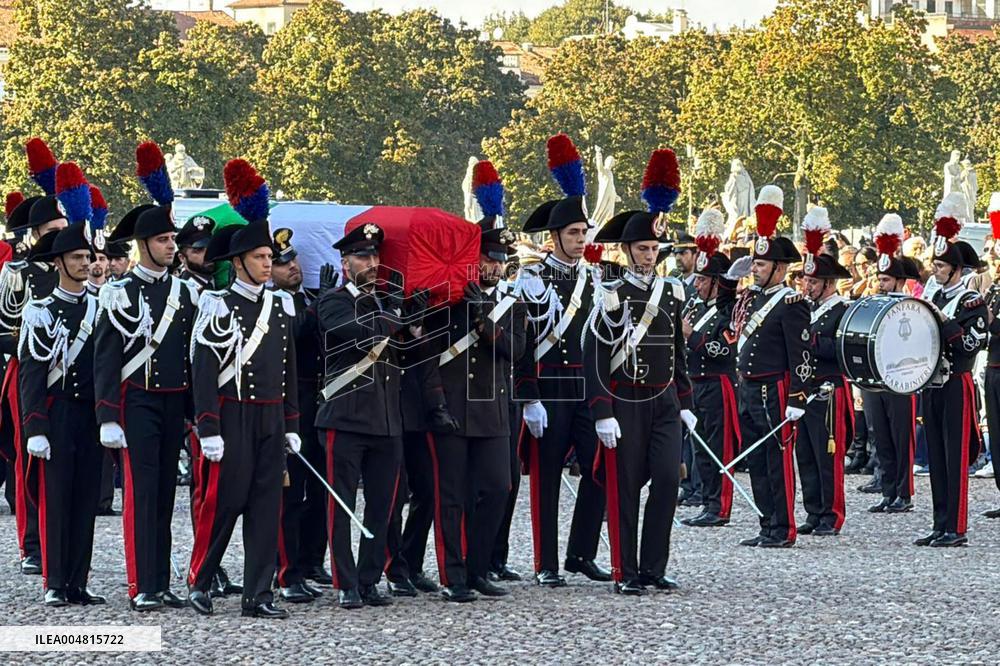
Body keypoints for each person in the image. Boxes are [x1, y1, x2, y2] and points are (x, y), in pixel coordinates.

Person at [94, 143, 198, 611]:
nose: (171, 246)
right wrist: (107, 415)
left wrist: (198, 412)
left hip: (174, 401)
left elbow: (196, 355)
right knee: (141, 493)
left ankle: (161, 579)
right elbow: (106, 359)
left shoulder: (185, 293)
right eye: (162, 241)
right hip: (136, 401)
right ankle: (142, 585)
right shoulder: (119, 294)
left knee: (164, 499)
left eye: (172, 240)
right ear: (142, 246)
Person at [187, 213, 299, 618]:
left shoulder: (280, 306)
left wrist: (291, 423)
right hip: (232, 415)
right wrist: (208, 426)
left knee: (267, 508)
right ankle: (200, 580)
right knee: (224, 503)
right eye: (259, 256)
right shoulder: (216, 304)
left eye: (270, 256)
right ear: (238, 262)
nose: (268, 263)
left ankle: (258, 594)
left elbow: (289, 371)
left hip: (270, 418)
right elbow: (202, 371)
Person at [584, 205, 693, 595]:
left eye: (654, 248)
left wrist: (686, 402)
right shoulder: (610, 294)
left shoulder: (673, 291)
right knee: (625, 487)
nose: (650, 256)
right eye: (643, 248)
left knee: (666, 480)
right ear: (628, 250)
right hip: (623, 398)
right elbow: (595, 355)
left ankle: (652, 566)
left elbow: (678, 352)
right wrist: (601, 411)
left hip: (664, 400)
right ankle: (624, 569)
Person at [518, 140, 609, 587]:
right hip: (548, 388)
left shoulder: (595, 278)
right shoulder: (532, 278)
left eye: (584, 233)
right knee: (546, 479)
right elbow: (522, 343)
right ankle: (545, 562)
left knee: (599, 469)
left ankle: (581, 553)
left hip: (587, 391)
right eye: (574, 234)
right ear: (554, 238)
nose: (581, 240)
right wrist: (529, 396)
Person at [316, 223, 418, 609]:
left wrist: (415, 322)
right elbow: (357, 334)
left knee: (384, 506)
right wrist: (399, 317)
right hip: (345, 417)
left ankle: (370, 578)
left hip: (387, 420)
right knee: (341, 506)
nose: (372, 263)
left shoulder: (387, 302)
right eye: (363, 256)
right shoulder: (334, 300)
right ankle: (345, 581)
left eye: (376, 256)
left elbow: (410, 355)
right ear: (345, 263)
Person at [423, 218, 526, 601]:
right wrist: (435, 402)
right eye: (489, 258)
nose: (495, 267)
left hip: (492, 411)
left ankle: (479, 568)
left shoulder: (511, 306)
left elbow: (514, 350)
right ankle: (454, 576)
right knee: (451, 497)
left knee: (499, 487)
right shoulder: (446, 302)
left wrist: (482, 313)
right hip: (452, 408)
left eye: (501, 260)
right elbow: (429, 358)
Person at [19, 223, 104, 607]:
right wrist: (35, 425)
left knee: (87, 498)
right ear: (58, 263)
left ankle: (77, 580)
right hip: (56, 414)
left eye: (87, 257)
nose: (85, 264)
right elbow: (31, 375)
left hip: (90, 413)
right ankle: (54, 581)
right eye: (76, 258)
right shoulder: (40, 311)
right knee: (56, 499)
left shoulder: (101, 307)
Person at [729, 185, 813, 548]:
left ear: (779, 267)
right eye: (755, 263)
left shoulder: (792, 302)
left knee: (777, 462)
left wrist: (798, 395)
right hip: (748, 387)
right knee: (757, 462)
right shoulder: (750, 297)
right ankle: (767, 523)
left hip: (774, 389)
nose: (755, 269)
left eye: (761, 264)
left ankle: (784, 528)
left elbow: (802, 356)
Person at [0, 194, 67, 575]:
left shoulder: (71, 268)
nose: (60, 236)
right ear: (35, 233)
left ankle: (60, 538)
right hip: (27, 371)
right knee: (29, 456)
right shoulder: (17, 273)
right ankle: (31, 542)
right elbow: (1, 331)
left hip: (70, 376)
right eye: (53, 231)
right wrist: (38, 343)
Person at [916, 196, 987, 547]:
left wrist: (941, 319)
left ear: (957, 270)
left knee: (955, 456)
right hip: (932, 382)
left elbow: (969, 345)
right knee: (936, 456)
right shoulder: (937, 297)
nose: (936, 271)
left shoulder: (970, 302)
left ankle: (956, 527)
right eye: (935, 265)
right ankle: (939, 522)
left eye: (941, 267)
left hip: (957, 382)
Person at [270, 228, 330, 604]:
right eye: (281, 263)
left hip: (319, 400)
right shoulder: (272, 302)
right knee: (291, 494)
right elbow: (290, 334)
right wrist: (316, 307)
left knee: (320, 488)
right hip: (289, 404)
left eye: (293, 260)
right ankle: (286, 569)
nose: (292, 267)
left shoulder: (307, 298)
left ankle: (311, 559)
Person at [680, 208, 740, 527]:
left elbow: (724, 350)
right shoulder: (695, 305)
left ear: (717, 281)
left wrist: (692, 337)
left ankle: (721, 506)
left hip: (719, 385)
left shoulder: (729, 310)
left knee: (719, 448)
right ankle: (706, 500)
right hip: (695, 384)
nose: (698, 285)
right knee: (700, 446)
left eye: (703, 279)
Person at [797, 213, 852, 536]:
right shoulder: (805, 309)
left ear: (828, 284)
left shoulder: (842, 310)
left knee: (827, 455)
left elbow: (840, 349)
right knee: (805, 453)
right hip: (805, 388)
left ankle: (832, 514)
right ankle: (813, 510)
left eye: (813, 282)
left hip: (829, 390)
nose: (807, 286)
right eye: (806, 281)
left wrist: (810, 340)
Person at [867, 217, 920, 514]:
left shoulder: (912, 308)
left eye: (886, 280)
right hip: (877, 377)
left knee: (902, 437)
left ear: (900, 281)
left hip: (903, 377)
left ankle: (904, 493)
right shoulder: (874, 301)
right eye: (880, 279)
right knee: (881, 436)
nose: (881, 284)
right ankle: (888, 490)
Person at [175, 215, 216, 290]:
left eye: (210, 247)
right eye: (198, 250)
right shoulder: (187, 290)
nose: (208, 254)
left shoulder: (208, 280)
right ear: (182, 258)